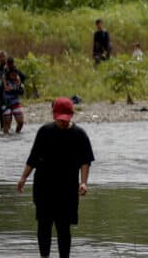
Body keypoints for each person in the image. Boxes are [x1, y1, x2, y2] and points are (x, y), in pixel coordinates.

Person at [17, 97, 94, 258]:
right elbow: (33, 158)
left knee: (63, 227)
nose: (63, 122)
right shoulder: (44, 132)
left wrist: (84, 183)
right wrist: (23, 178)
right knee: (44, 226)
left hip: (67, 189)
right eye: (60, 120)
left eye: (66, 119)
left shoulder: (79, 135)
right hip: (44, 187)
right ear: (54, 115)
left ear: (72, 115)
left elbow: (85, 161)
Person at [1, 63, 25, 134]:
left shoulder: (18, 79)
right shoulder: (4, 79)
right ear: (9, 74)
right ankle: (6, 135)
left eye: (15, 75)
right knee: (7, 122)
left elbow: (21, 91)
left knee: (20, 122)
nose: (14, 76)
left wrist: (14, 89)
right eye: (12, 75)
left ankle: (17, 133)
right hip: (5, 103)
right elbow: (4, 90)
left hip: (15, 102)